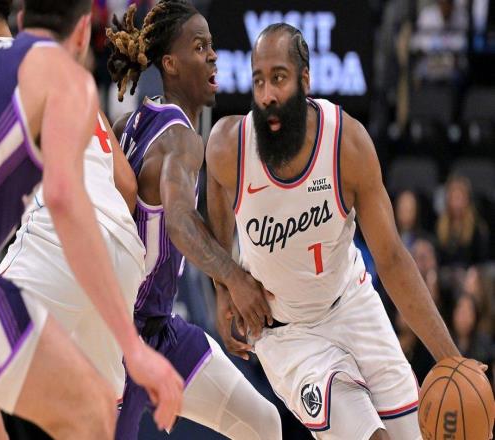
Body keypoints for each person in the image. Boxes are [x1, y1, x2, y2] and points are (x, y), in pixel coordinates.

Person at [205, 23, 484, 440]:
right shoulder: (231, 145)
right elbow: (214, 185)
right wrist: (225, 282)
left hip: (353, 303)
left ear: (305, 80)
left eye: (279, 78)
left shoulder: (346, 144)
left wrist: (453, 360)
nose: (267, 95)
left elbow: (392, 259)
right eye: (258, 80)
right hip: (287, 333)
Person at [0, 0, 183, 438]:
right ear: (83, 32)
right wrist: (133, 347)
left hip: (42, 262)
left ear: (25, 21)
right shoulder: (65, 76)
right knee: (94, 414)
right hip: (115, 248)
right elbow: (79, 195)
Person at [107, 2, 281, 439]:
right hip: (120, 337)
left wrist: (221, 290)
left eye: (211, 45)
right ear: (170, 64)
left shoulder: (129, 123)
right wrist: (235, 280)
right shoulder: (180, 139)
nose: (213, 55)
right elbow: (181, 223)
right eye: (200, 47)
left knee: (263, 423)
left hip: (161, 331)